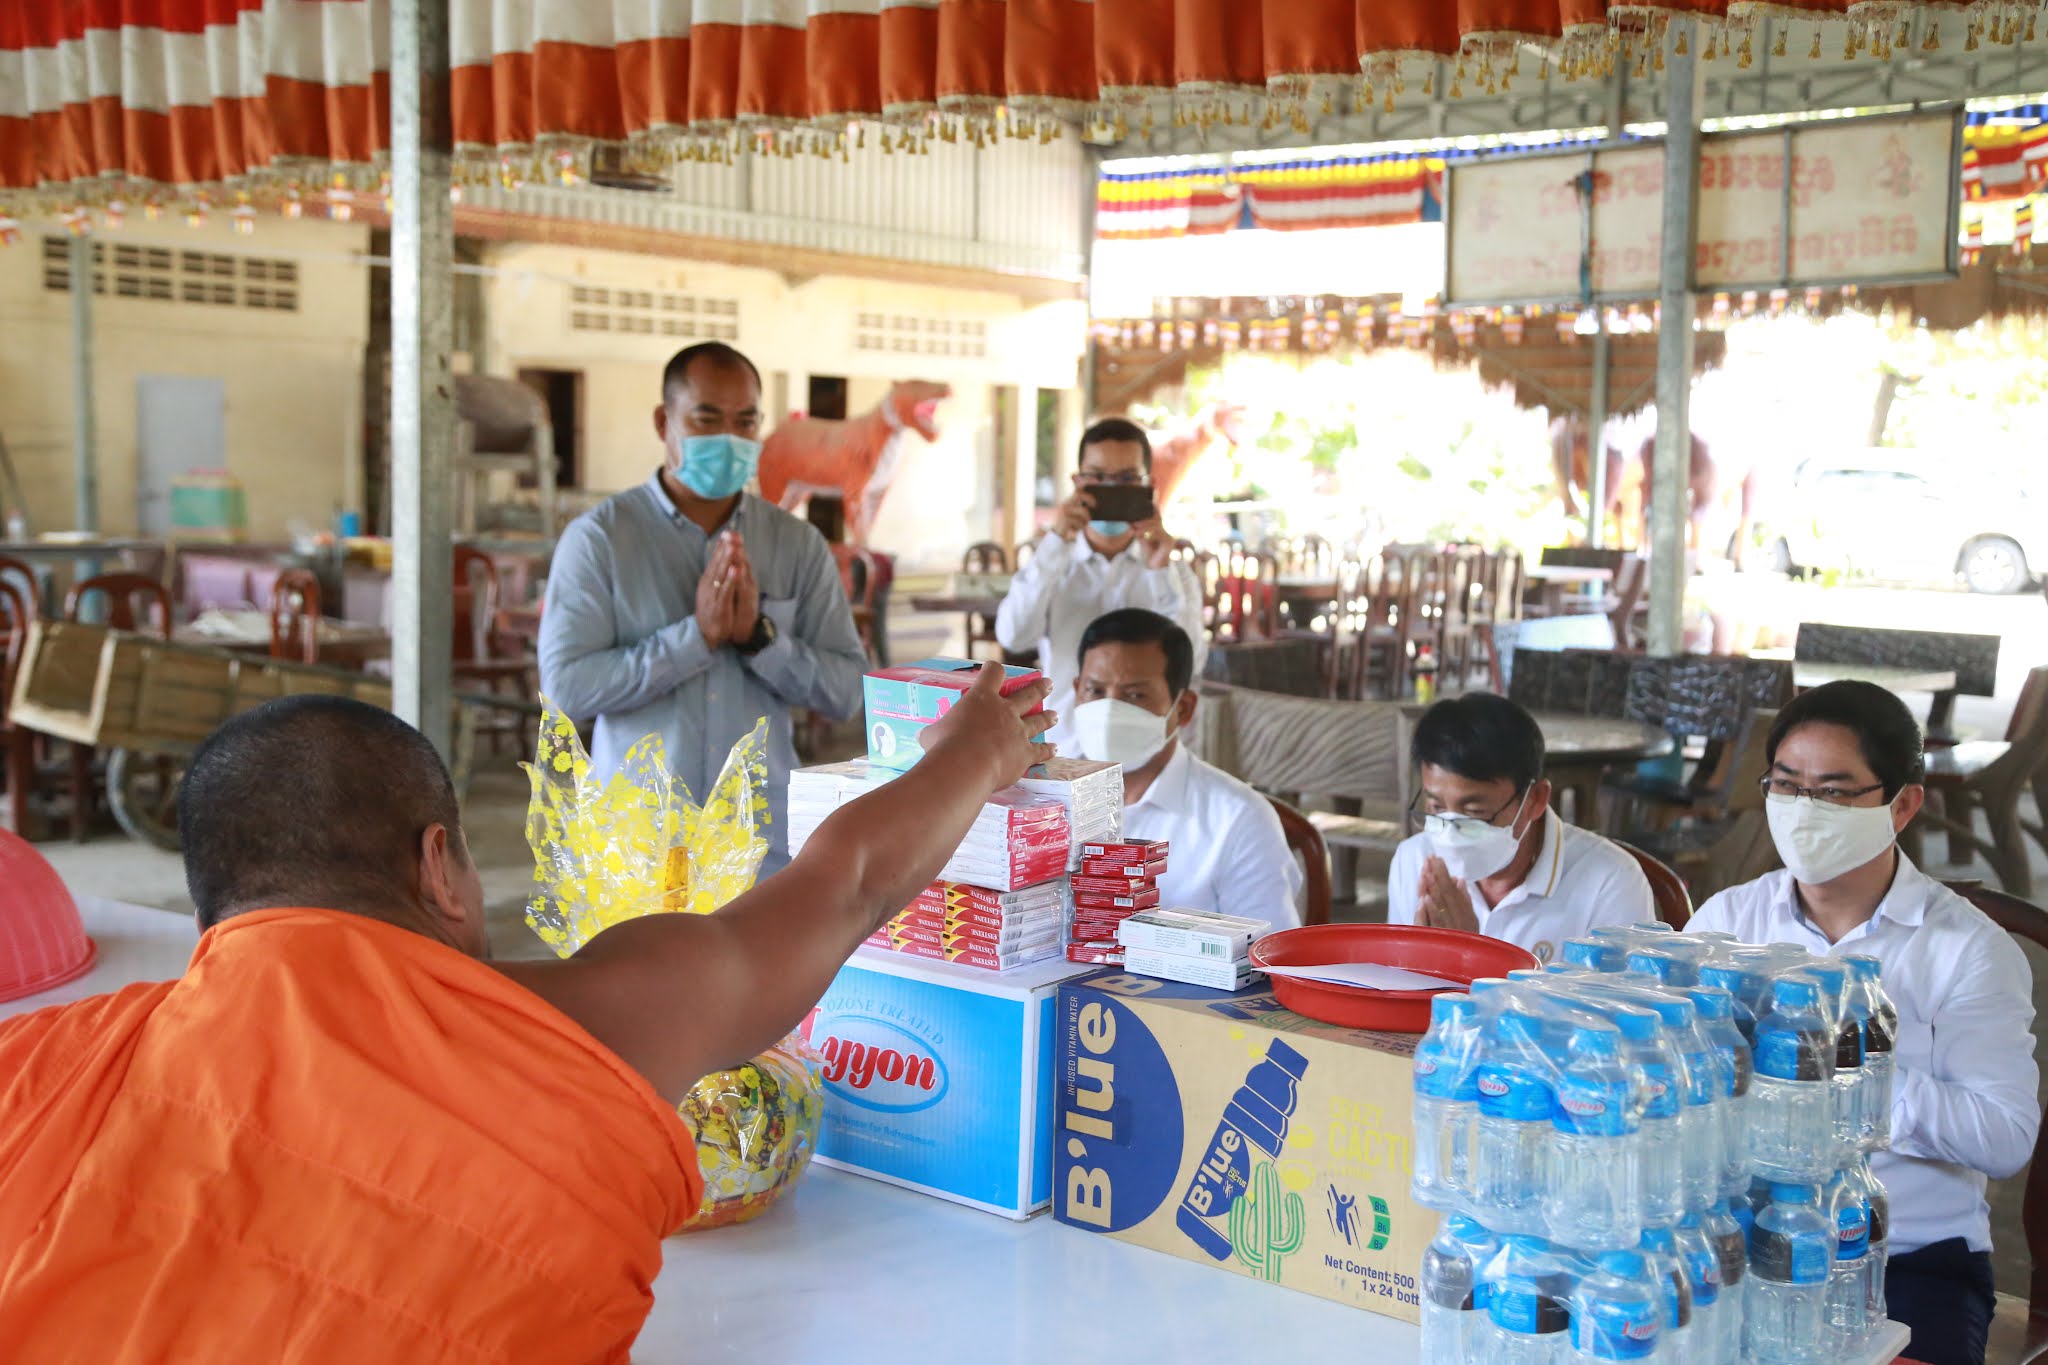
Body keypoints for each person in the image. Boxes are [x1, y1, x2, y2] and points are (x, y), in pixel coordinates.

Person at [0, 669, 1054, 1360]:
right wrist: (979, 749)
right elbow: (847, 884)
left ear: (210, 911)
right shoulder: (599, 1024)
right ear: (440, 868)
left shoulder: (42, 1060)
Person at [1687, 681, 2039, 1365]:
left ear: (1901, 804)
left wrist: (1856, 1079)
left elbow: (2005, 1136)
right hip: (1744, 1243)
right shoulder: (1728, 922)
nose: (1803, 810)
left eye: (1834, 792)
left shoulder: (1966, 948)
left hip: (1904, 1257)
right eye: (1786, 785)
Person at [539, 341, 866, 872]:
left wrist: (761, 641)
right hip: (637, 850)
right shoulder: (601, 539)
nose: (728, 438)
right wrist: (696, 638)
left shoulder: (795, 544)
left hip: (759, 846)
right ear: (663, 422)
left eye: (745, 422)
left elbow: (847, 692)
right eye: (707, 419)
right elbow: (567, 690)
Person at [1071, 608, 1299, 929]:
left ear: (1183, 709)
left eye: (1135, 695)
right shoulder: (1041, 804)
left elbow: (1266, 951)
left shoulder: (1238, 821)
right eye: (1095, 691)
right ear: (1076, 691)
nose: (1109, 712)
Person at [1387, 693, 1654, 963]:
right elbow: (1396, 980)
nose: (1451, 834)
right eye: (1437, 808)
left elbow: (1622, 991)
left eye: (1475, 813)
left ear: (1535, 799)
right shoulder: (1413, 860)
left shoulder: (1610, 882)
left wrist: (1470, 955)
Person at [996, 418, 1206, 752]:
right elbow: (1014, 636)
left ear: (1148, 485)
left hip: (1146, 752)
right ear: (1078, 482)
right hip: (1067, 747)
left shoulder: (1172, 571)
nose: (1111, 489)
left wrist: (1159, 572)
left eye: (1126, 479)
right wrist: (1055, 543)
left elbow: (1190, 662)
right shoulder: (1051, 562)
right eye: (1097, 477)